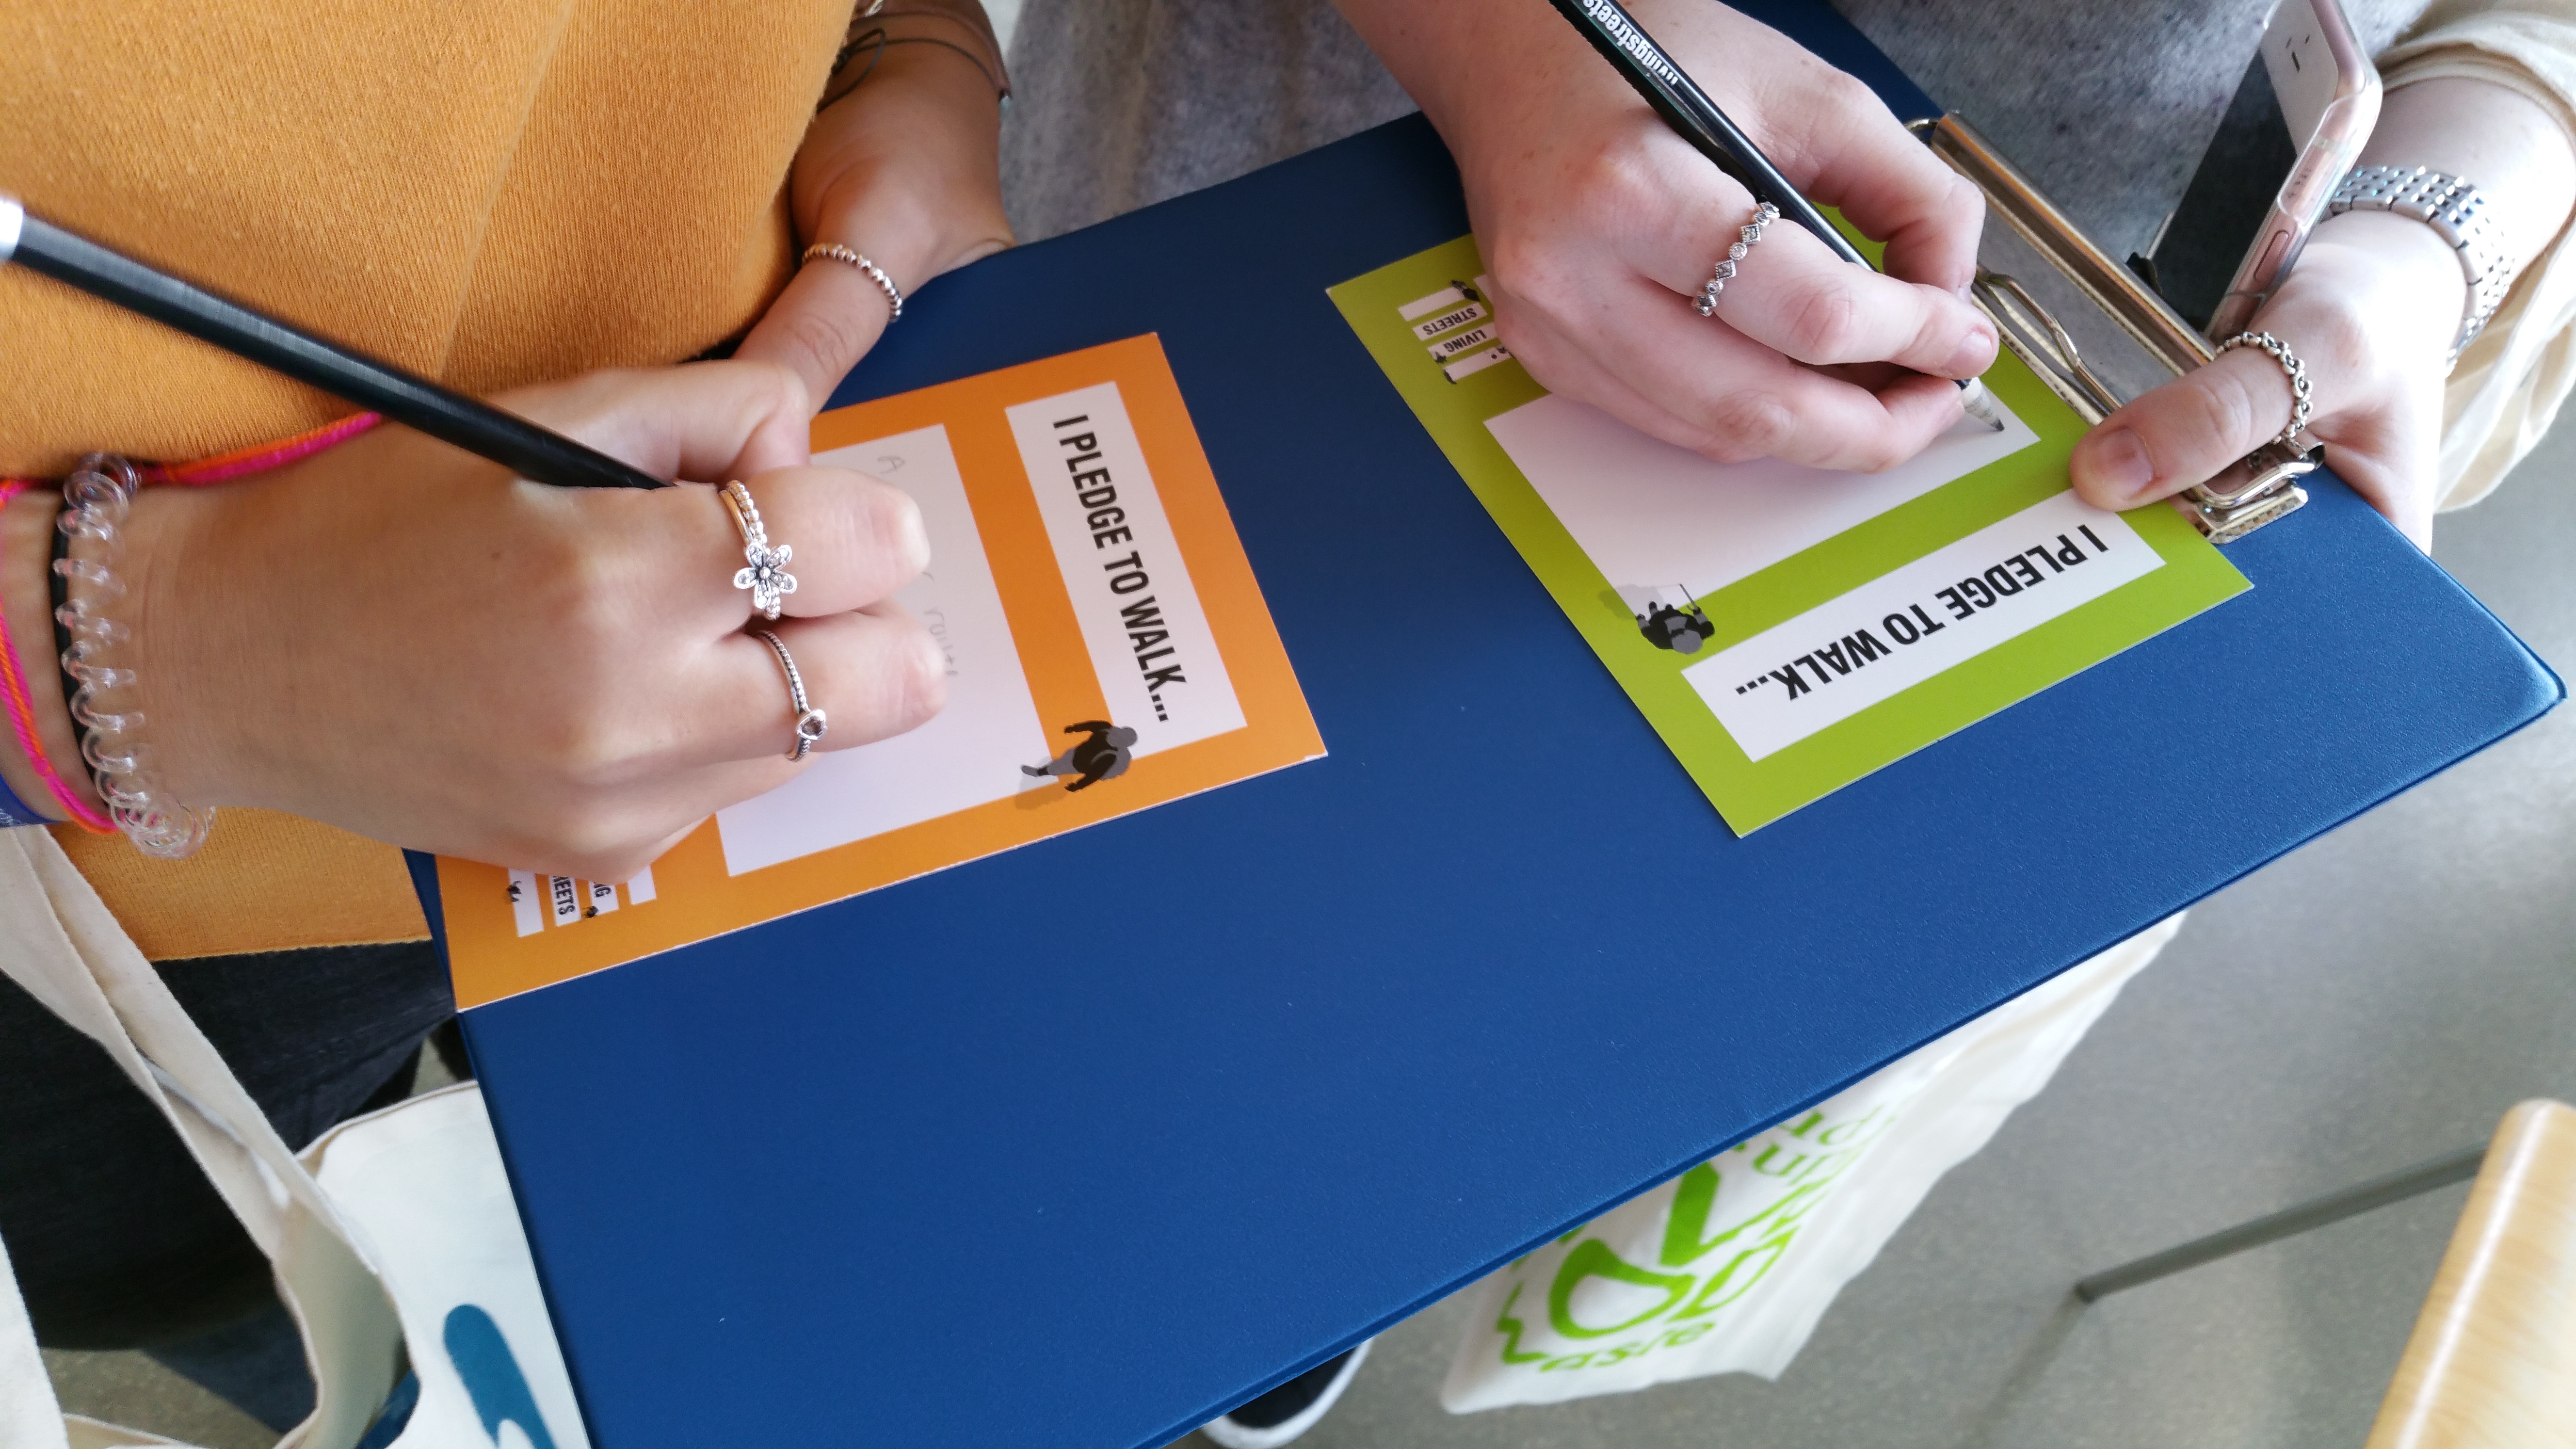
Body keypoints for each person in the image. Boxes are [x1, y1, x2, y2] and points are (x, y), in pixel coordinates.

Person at [1001, 0, 2576, 1435]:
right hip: (1285, 231)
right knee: (1196, 915)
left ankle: (1342, 1235)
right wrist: (1494, 44)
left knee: (1593, 993)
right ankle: (1247, 1254)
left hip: (2054, 414)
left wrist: (2406, 256)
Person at [0, 0, 1013, 1349]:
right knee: (316, 1318)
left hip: (712, 632)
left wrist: (917, 35)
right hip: (148, 932)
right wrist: (164, 640)